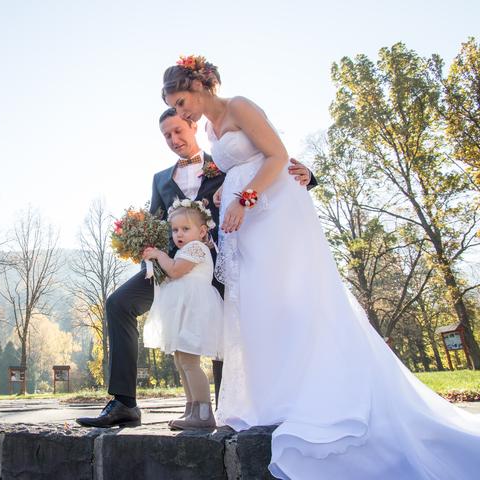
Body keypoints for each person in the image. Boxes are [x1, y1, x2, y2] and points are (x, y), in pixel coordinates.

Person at [162, 54, 480, 479]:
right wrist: (225, 194)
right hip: (243, 218)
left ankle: (313, 390)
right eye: (176, 107)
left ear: (199, 86)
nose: (182, 113)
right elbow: (241, 164)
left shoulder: (240, 107)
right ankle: (275, 395)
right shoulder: (208, 127)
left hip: (273, 211)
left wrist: (245, 198)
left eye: (181, 103)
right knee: (257, 301)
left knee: (288, 294)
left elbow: (277, 156)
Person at [75, 108, 315, 429]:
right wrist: (147, 256)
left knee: (226, 321)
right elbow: (156, 226)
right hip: (172, 267)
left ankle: (225, 408)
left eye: (178, 131)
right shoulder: (160, 180)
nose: (173, 140)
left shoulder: (224, 164)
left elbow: (264, 169)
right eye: (166, 136)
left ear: (193, 125)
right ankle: (124, 403)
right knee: (119, 303)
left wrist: (306, 175)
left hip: (216, 265)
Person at [142, 199, 224, 430]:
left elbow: (175, 271)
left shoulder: (197, 248)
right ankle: (191, 409)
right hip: (184, 312)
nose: (179, 234)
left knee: (189, 361)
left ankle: (204, 413)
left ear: (202, 231)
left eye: (185, 229)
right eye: (175, 229)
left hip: (194, 313)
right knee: (181, 361)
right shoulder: (184, 250)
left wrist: (159, 254)